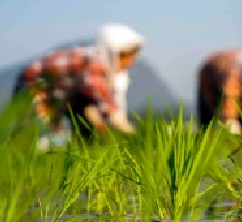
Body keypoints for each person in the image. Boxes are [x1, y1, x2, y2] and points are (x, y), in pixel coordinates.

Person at [13, 23, 145, 143]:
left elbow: (93, 104)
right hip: (35, 86)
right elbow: (110, 111)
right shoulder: (93, 66)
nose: (129, 62)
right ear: (111, 53)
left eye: (131, 57)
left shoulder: (99, 67)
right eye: (124, 56)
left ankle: (81, 147)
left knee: (88, 130)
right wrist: (134, 135)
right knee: (34, 133)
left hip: (67, 95)